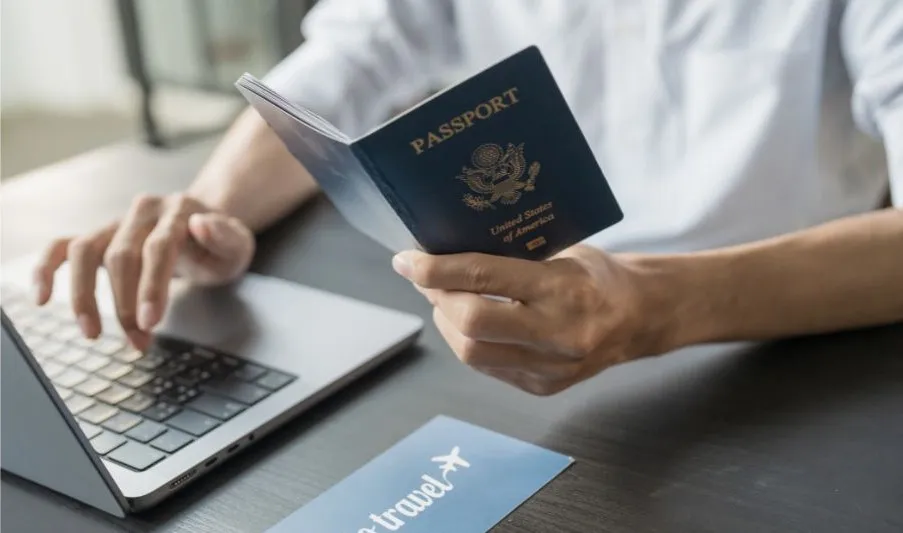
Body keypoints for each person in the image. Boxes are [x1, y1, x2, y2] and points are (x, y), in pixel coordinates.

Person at [34, 0, 902, 396]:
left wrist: (649, 306)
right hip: (507, 336)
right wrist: (210, 207)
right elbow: (342, 65)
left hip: (797, 351)